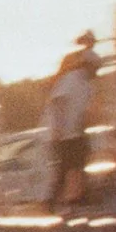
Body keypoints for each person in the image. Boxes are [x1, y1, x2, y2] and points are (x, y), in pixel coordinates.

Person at [44, 35, 99, 213]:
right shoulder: (71, 78)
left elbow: (85, 110)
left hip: (76, 132)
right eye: (94, 68)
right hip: (63, 133)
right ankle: (50, 202)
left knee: (79, 162)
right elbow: (58, 102)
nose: (96, 72)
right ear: (87, 66)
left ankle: (78, 198)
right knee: (65, 168)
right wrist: (58, 130)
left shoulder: (87, 84)